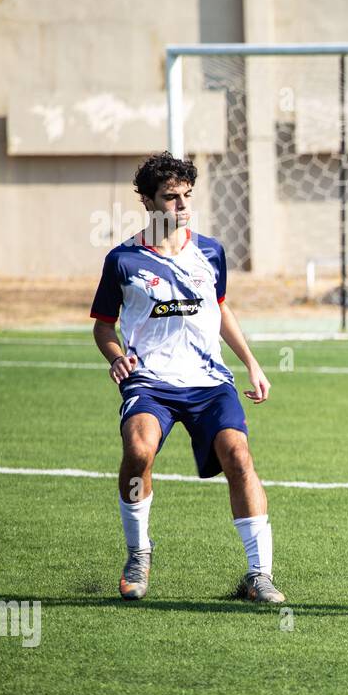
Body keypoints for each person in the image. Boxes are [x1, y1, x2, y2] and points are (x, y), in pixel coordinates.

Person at [90, 151, 284, 604]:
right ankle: (139, 553)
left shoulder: (210, 251)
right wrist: (115, 356)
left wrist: (252, 362)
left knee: (238, 457)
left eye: (187, 197)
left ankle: (260, 575)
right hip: (150, 380)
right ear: (147, 201)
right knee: (138, 451)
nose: (181, 206)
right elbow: (103, 325)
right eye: (171, 198)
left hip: (208, 380)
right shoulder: (123, 261)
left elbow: (219, 308)